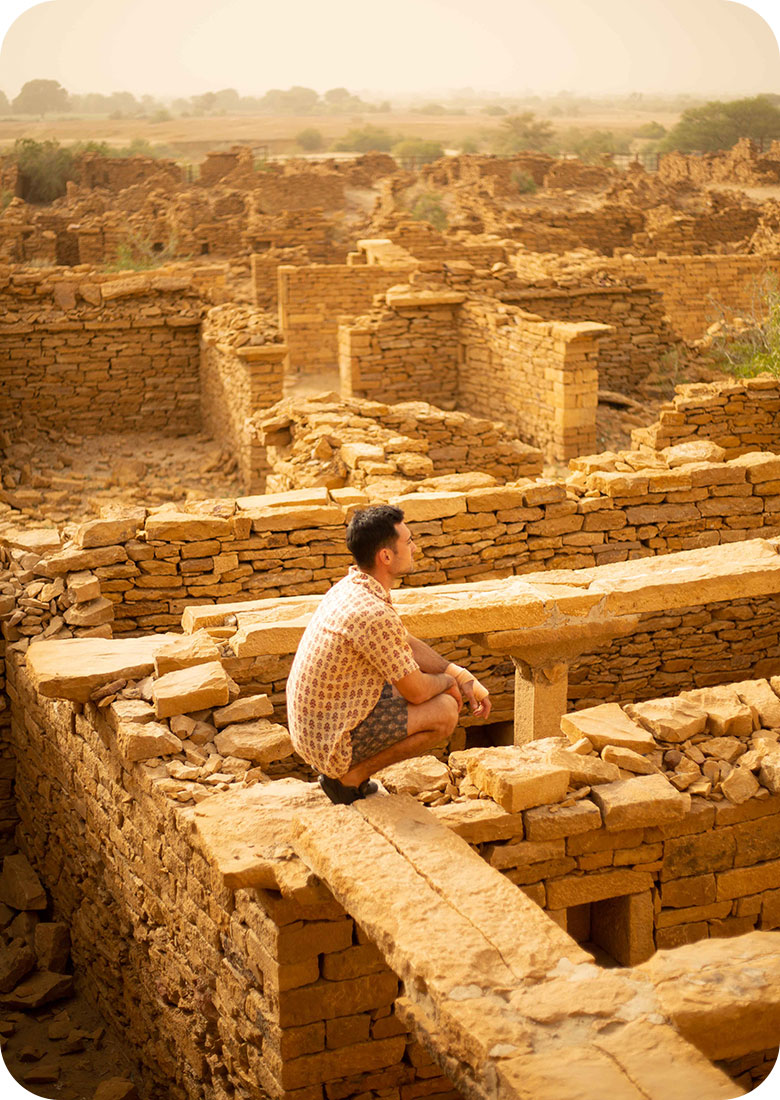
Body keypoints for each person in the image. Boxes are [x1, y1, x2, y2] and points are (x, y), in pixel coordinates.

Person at [286, 504, 492, 805]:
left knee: (416, 684)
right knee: (446, 710)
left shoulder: (353, 587)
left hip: (319, 725)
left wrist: (458, 673)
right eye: (408, 542)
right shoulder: (371, 613)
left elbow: (401, 642)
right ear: (386, 556)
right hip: (329, 742)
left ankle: (347, 774)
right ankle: (347, 778)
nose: (415, 548)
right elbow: (419, 692)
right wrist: (449, 684)